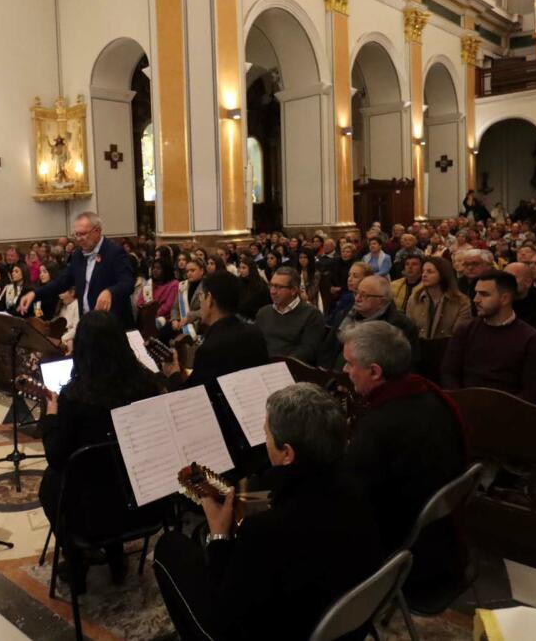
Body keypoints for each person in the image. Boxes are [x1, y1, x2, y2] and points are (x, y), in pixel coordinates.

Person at [153, 383, 382, 641]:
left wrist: (218, 537)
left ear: (287, 453)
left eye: (268, 436)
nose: (266, 443)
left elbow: (222, 616)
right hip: (347, 623)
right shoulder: (360, 486)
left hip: (285, 629)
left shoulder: (264, 531)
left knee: (169, 547)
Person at [38, 311, 165, 592]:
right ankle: (116, 556)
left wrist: (49, 415)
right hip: (146, 503)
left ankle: (76, 561)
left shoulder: (75, 396)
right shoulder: (147, 384)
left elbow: (57, 458)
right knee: (112, 466)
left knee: (51, 482)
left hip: (92, 517)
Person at [340, 321, 467, 590]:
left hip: (404, 546)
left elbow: (352, 497)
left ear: (375, 371)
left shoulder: (382, 424)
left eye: (350, 364)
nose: (345, 370)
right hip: (437, 533)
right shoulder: (426, 392)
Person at [441, 270, 536, 404]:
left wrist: (501, 411)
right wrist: (462, 401)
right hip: (465, 405)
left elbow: (534, 390)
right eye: (476, 293)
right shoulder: (465, 330)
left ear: (504, 298)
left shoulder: (531, 339)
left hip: (508, 412)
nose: (476, 299)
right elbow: (449, 373)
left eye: (484, 294)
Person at [19, 212, 135, 328]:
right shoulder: (78, 255)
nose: (79, 239)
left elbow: (128, 283)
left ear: (97, 231)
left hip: (112, 325)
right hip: (87, 323)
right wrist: (35, 294)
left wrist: (110, 292)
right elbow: (62, 282)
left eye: (83, 234)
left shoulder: (114, 252)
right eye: (76, 234)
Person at [161, 270, 268, 389]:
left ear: (210, 299)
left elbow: (193, 397)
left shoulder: (209, 350)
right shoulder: (255, 333)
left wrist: (173, 374)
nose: (200, 303)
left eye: (201, 296)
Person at [325, 275, 419, 370]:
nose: (357, 298)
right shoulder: (348, 313)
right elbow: (328, 348)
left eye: (364, 295)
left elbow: (397, 367)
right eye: (356, 293)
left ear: (381, 301)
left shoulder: (399, 325)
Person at [255, 266, 325, 365]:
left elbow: (308, 351)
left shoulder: (312, 315)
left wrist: (279, 365)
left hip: (292, 370)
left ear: (293, 290)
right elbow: (255, 344)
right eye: (271, 285)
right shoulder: (263, 313)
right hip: (262, 367)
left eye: (279, 287)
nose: (272, 291)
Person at [407, 256, 473, 340]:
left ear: (442, 274)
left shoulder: (461, 301)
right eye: (423, 271)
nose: (424, 275)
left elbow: (459, 336)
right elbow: (410, 331)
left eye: (430, 272)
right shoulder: (414, 299)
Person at [165, 260, 205, 341]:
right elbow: (175, 308)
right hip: (180, 322)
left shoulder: (206, 286)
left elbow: (207, 310)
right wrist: (174, 319)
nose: (189, 273)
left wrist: (189, 317)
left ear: (201, 271)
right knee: (164, 332)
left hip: (197, 324)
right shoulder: (183, 285)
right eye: (187, 271)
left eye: (192, 270)